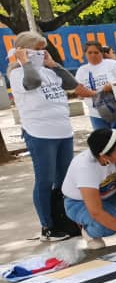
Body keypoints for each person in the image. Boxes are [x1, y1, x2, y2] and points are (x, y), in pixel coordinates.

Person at [8, 31, 94, 241]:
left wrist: (53, 64)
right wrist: (24, 62)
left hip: (62, 130)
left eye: (43, 48)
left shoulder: (49, 70)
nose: (42, 53)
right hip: (40, 133)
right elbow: (33, 82)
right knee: (45, 180)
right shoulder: (18, 73)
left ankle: (65, 220)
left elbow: (71, 84)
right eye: (36, 49)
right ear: (24, 50)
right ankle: (47, 226)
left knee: (64, 180)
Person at [75, 41, 116, 168]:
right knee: (104, 144)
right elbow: (78, 91)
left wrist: (114, 84)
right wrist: (94, 93)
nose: (93, 55)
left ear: (101, 53)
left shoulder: (111, 65)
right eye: (90, 53)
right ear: (85, 54)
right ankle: (115, 168)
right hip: (98, 114)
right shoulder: (82, 70)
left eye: (96, 52)